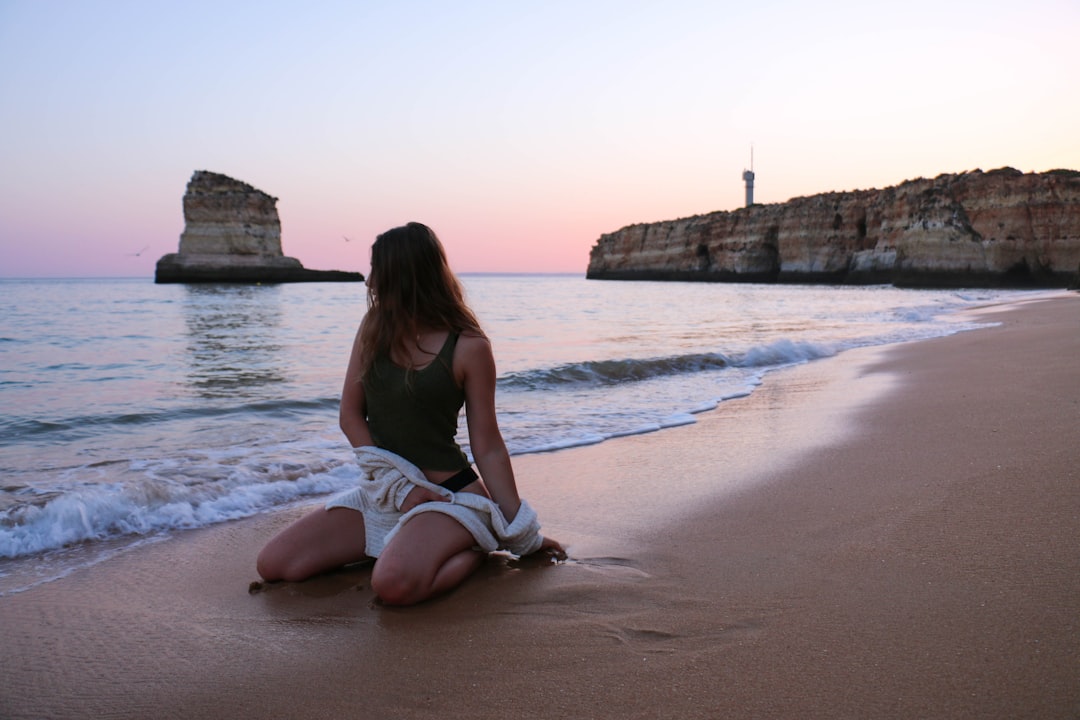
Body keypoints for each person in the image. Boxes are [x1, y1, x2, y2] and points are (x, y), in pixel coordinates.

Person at [257, 222, 563, 606]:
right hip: (387, 492)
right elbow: (350, 417)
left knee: (392, 586)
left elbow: (487, 447)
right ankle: (406, 547)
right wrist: (399, 488)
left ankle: (477, 548)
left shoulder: (469, 347)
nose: (370, 281)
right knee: (276, 564)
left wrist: (521, 533)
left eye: (378, 271)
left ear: (404, 276)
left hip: (450, 498)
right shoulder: (373, 330)